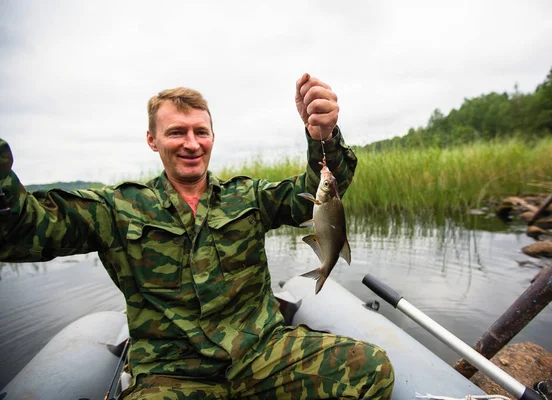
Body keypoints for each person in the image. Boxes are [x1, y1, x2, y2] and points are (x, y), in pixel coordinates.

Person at [0, 74, 394, 399]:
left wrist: (323, 136)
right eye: (176, 132)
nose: (191, 143)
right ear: (153, 140)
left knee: (372, 370)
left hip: (260, 354)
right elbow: (23, 228)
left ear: (212, 137)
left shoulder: (249, 197)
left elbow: (319, 194)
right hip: (170, 375)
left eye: (200, 132)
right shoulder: (115, 208)